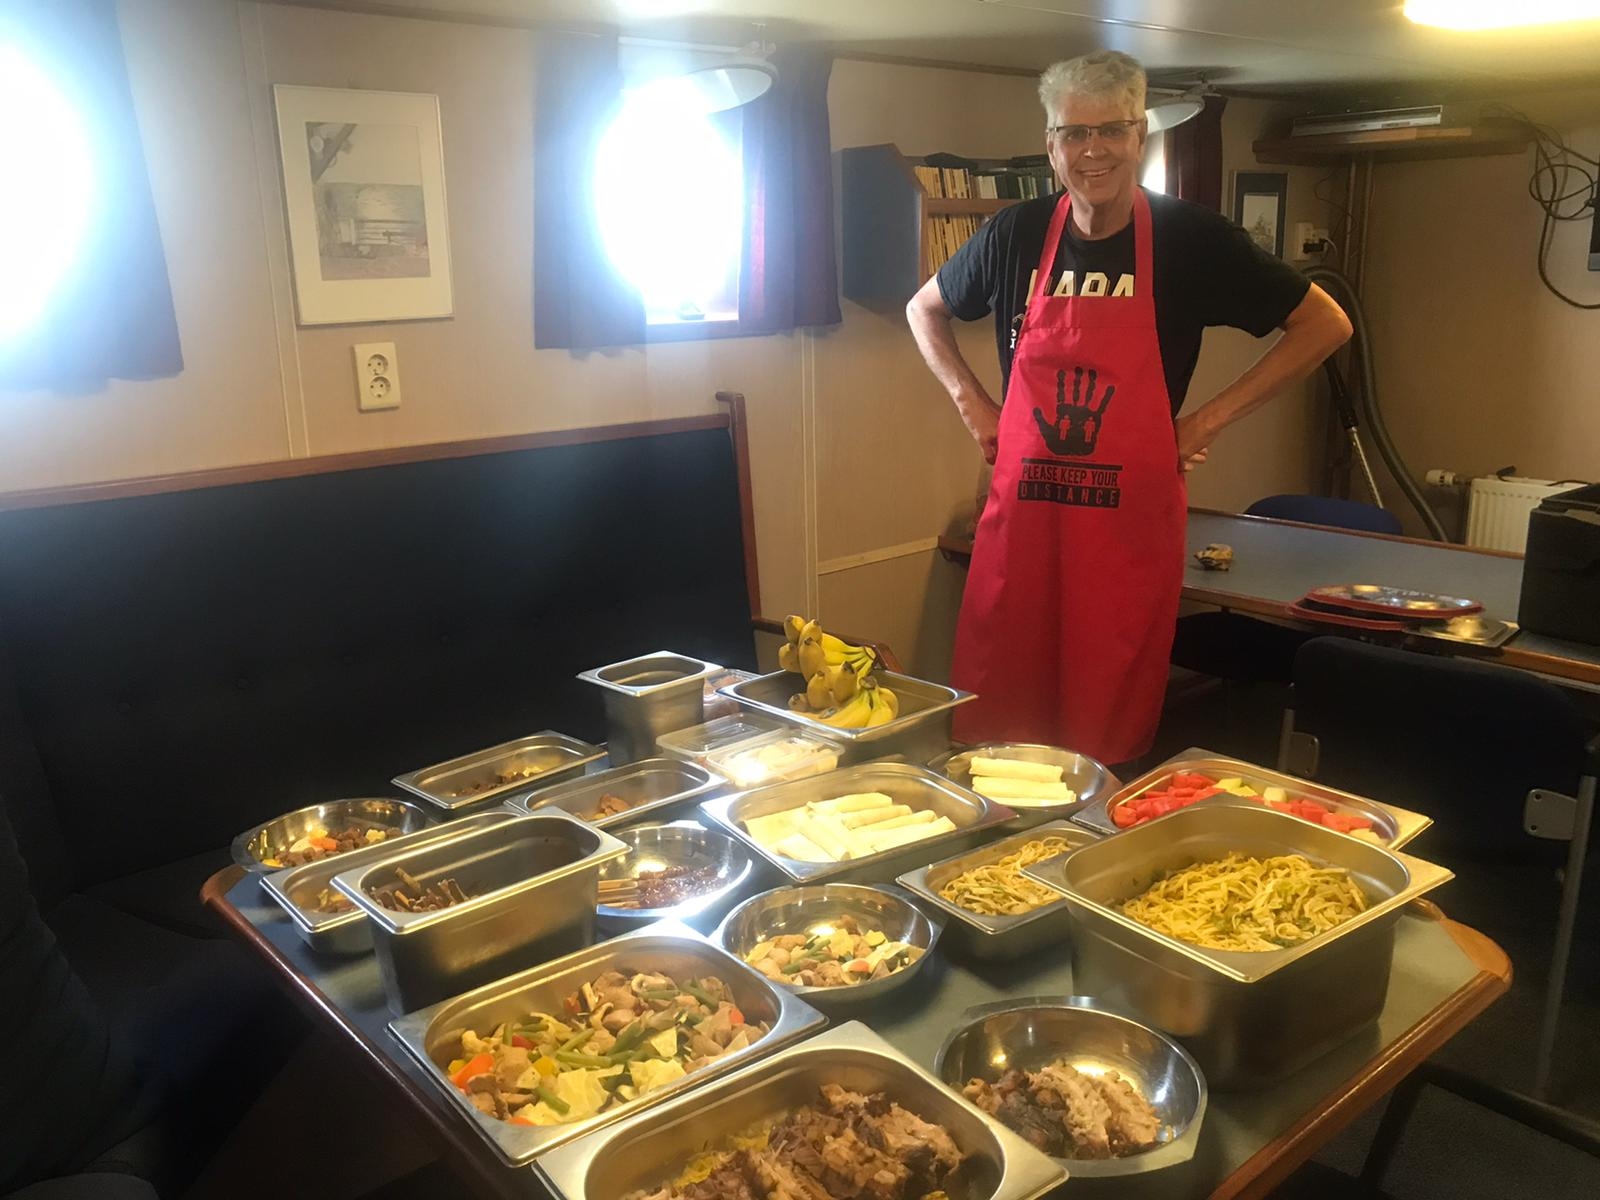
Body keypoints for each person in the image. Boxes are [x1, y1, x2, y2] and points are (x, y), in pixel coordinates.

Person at [906, 50, 1352, 767]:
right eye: (1071, 134)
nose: (1092, 151)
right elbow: (923, 311)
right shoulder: (1014, 233)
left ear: (1140, 135)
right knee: (999, 732)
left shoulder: (1192, 239)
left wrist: (1206, 421)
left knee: (1101, 733)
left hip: (1123, 535)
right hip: (1023, 527)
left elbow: (1325, 323)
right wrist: (974, 405)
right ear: (1051, 144)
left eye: (1110, 130)